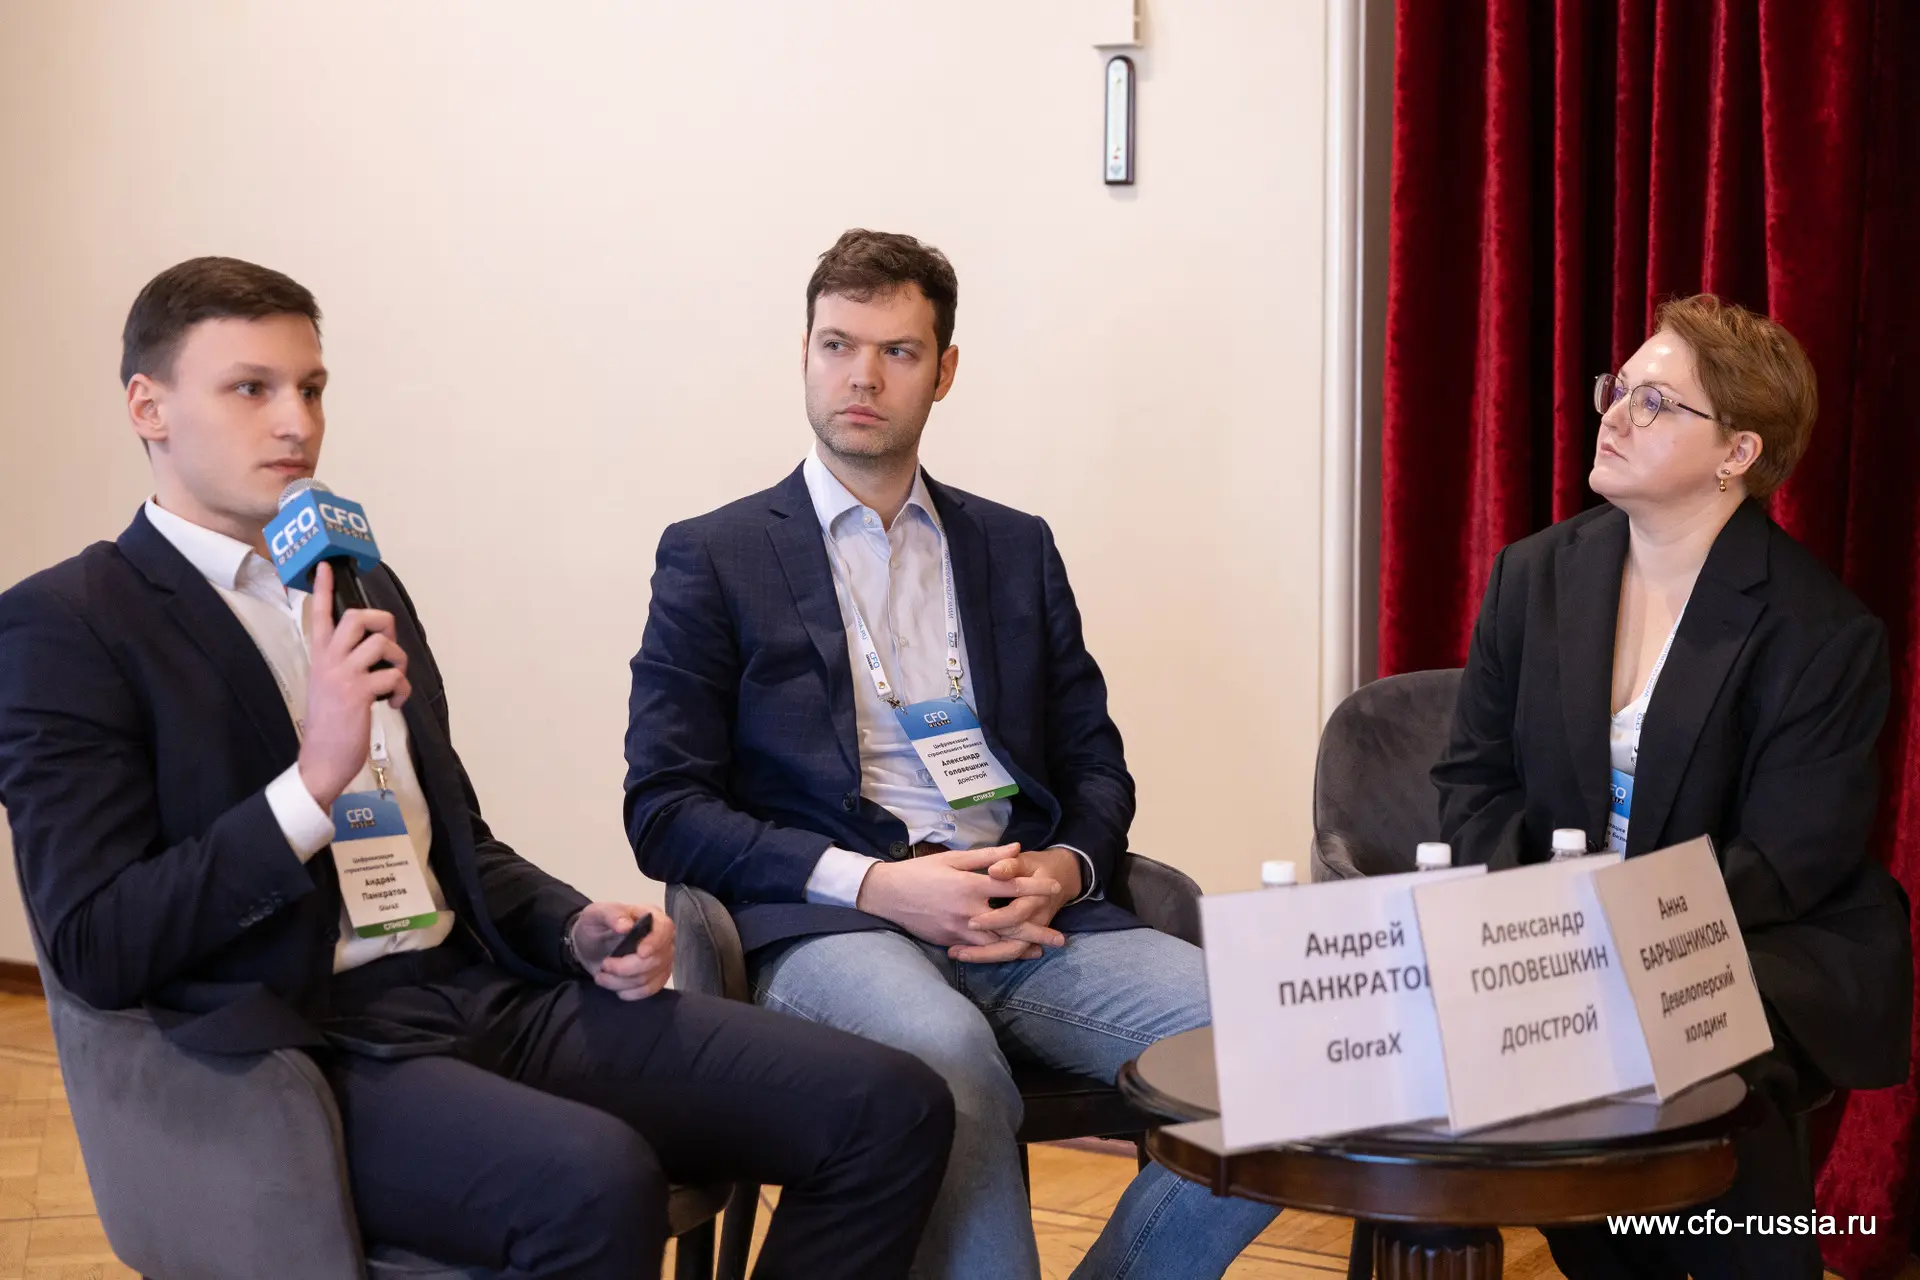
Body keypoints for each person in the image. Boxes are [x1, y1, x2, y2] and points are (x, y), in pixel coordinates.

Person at [0, 257, 955, 1280]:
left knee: (888, 1107)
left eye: (311, 388)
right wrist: (310, 784)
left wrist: (576, 926)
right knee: (597, 1179)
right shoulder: (69, 624)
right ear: (147, 406)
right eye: (251, 388)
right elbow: (97, 943)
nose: (297, 423)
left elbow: (456, 843)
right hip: (310, 1045)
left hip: (479, 990)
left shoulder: (358, 581)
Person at [624, 229, 1276, 1280]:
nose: (862, 377)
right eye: (838, 345)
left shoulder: (1014, 547)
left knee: (1285, 1048)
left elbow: (1096, 765)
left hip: (1027, 913)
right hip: (834, 925)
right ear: (803, 354)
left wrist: (1064, 867)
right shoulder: (716, 554)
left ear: (945, 370)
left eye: (898, 351)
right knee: (947, 1061)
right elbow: (664, 807)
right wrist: (879, 885)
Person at [1433, 293, 1912, 1279]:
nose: (1614, 413)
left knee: (1699, 1037)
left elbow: (1786, 857)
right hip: (1557, 925)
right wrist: (1553, 928)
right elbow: (1472, 782)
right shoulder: (1533, 575)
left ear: (1738, 451)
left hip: (1746, 935)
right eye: (1619, 388)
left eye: (1654, 402)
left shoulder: (1821, 631)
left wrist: (1619, 943)